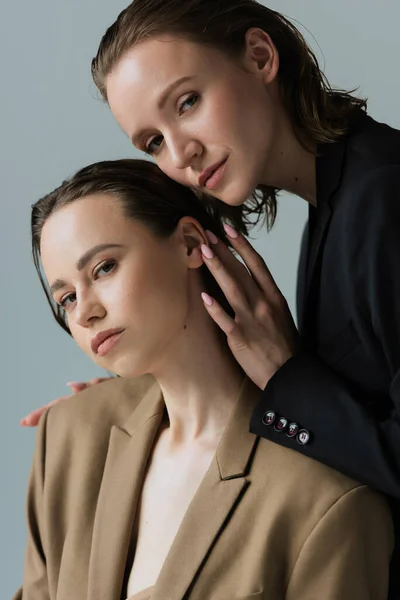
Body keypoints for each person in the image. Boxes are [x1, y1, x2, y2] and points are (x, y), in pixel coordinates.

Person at [21, 0, 400, 592]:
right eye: (152, 141)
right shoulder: (336, 205)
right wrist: (145, 391)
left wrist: (290, 379)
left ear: (260, 56)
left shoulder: (383, 202)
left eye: (188, 102)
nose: (181, 154)